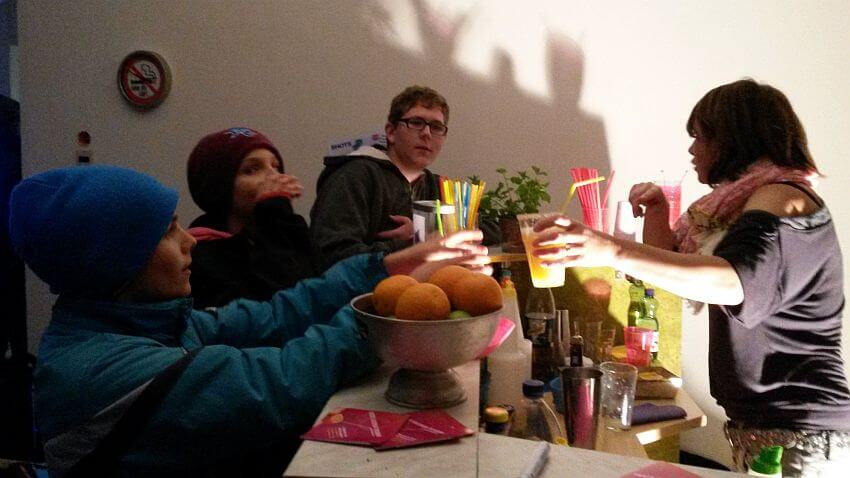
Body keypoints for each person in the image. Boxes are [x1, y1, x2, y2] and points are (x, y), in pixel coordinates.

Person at [9, 165, 488, 476]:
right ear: (116, 260)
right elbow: (281, 383)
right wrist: (384, 308)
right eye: (168, 231)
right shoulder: (100, 372)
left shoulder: (151, 322)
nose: (190, 240)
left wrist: (387, 267)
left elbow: (276, 315)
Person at [531, 79, 850, 477]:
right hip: (774, 435)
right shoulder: (743, 205)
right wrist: (657, 213)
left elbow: (733, 281)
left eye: (699, 135)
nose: (692, 149)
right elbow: (676, 272)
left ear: (733, 138)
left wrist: (610, 249)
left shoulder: (784, 197)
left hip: (802, 438)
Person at [310, 85, 498, 271]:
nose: (426, 134)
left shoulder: (438, 185)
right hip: (367, 290)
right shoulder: (354, 177)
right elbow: (334, 257)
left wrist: (425, 232)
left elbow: (492, 231)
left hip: (429, 287)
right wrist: (413, 246)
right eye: (416, 123)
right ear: (391, 132)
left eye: (436, 127)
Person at [185, 127, 316, 309]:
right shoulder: (199, 256)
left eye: (276, 166)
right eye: (252, 170)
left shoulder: (288, 228)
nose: (274, 176)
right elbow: (282, 307)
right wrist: (274, 213)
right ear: (220, 186)